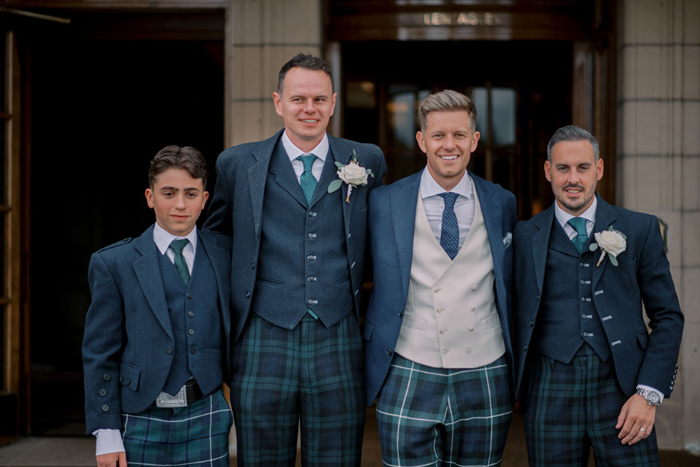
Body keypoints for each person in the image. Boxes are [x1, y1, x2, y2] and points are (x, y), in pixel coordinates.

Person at [204, 53, 387, 465]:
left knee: (338, 458)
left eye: (319, 100)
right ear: (278, 102)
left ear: (334, 102)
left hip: (339, 333)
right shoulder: (236, 164)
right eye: (299, 99)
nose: (310, 109)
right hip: (261, 336)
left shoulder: (367, 160)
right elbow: (216, 240)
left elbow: (383, 238)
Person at [513, 125, 684, 466]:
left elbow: (668, 316)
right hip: (549, 390)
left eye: (583, 167)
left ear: (599, 169)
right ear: (548, 171)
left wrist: (648, 394)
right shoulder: (522, 236)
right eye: (563, 168)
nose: (572, 178)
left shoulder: (639, 229)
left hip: (623, 390)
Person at [364, 90, 516, 466]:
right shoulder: (384, 203)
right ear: (421, 141)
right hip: (407, 361)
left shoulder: (502, 202)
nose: (450, 145)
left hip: (485, 364)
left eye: (459, 135)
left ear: (474, 141)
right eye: (438, 135)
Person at [82, 145, 233, 467]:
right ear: (150, 197)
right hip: (137, 417)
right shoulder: (114, 263)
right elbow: (99, 353)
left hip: (207, 413)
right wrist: (106, 432)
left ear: (205, 200)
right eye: (169, 193)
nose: (180, 204)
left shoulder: (226, 255)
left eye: (191, 194)